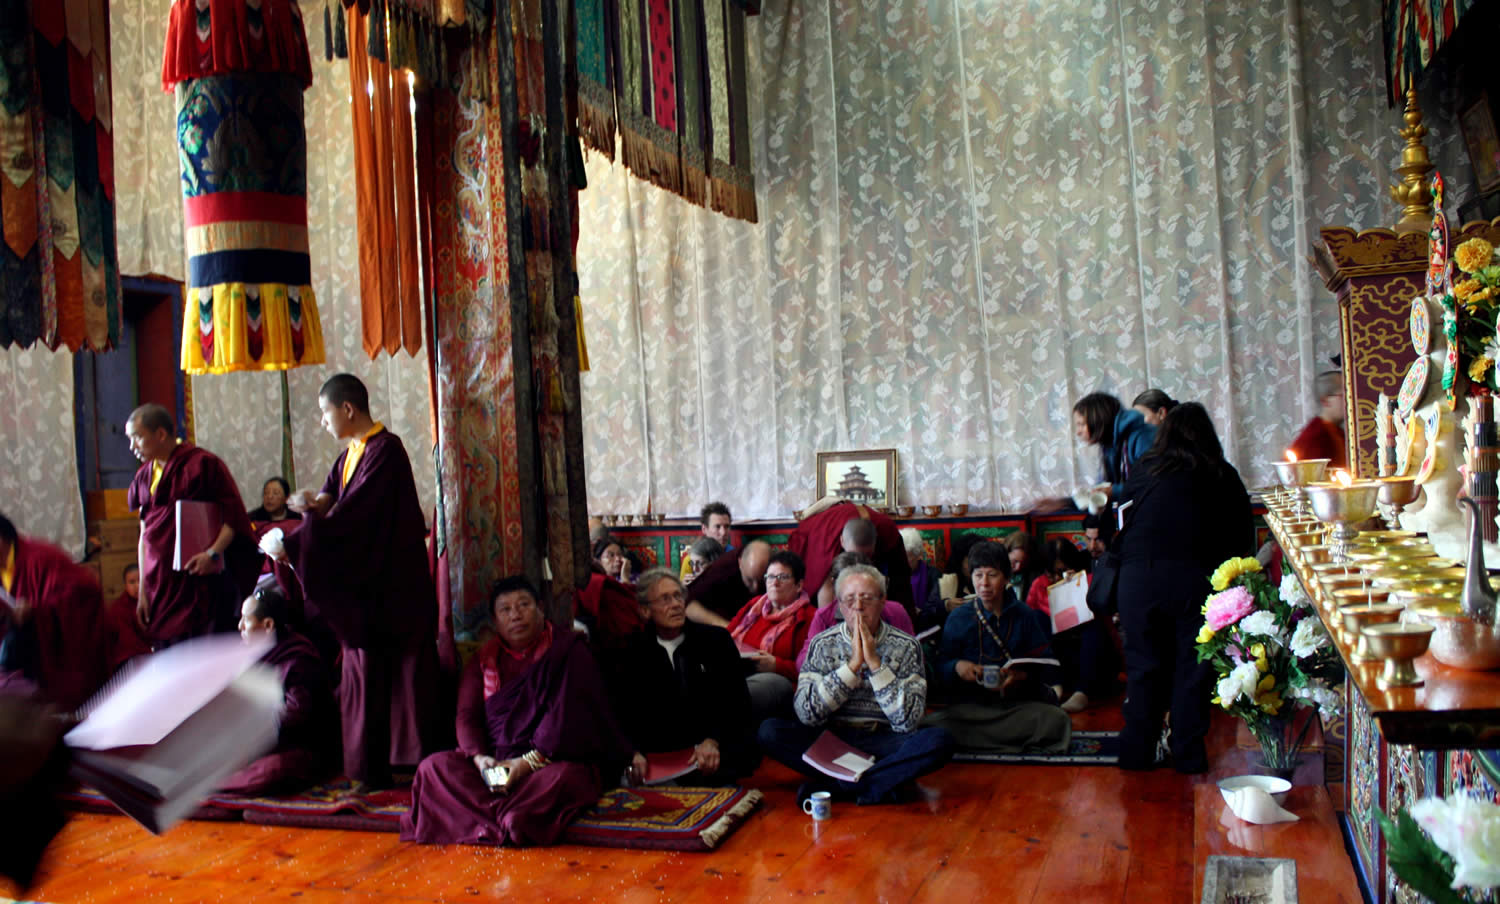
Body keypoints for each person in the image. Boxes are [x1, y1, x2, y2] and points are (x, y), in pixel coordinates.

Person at [278, 374, 440, 788]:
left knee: (395, 677)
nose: (322, 422)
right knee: (361, 673)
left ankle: (403, 765)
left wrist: (297, 544)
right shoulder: (351, 453)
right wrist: (307, 505)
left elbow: (354, 518)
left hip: (393, 590)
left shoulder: (386, 450)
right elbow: (330, 501)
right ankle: (367, 767)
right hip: (368, 590)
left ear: (347, 409)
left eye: (324, 412)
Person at [401, 576, 632, 847]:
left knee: (565, 779)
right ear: (495, 621)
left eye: (524, 605)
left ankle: (488, 820)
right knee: (433, 769)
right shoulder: (484, 659)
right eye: (506, 609)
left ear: (541, 609)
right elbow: (466, 716)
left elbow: (566, 721)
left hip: (547, 763)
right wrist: (479, 759)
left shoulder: (568, 651)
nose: (516, 615)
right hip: (495, 764)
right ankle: (508, 820)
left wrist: (525, 765)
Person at [1114, 402, 1254, 772]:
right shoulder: (1220, 474)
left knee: (1144, 668)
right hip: (1196, 582)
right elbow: (1243, 540)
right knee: (1193, 671)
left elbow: (1119, 521)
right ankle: (1188, 754)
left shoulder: (1145, 470)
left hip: (1138, 581)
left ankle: (1135, 752)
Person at [758, 565, 954, 805]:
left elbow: (908, 721)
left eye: (867, 599)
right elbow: (806, 714)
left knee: (939, 741)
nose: (858, 607)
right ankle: (881, 783)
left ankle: (838, 787)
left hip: (884, 740)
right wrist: (850, 669)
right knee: (770, 731)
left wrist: (875, 664)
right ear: (839, 605)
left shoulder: (906, 646)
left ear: (883, 601)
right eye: (849, 600)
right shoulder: (822, 644)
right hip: (833, 741)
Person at [125, 403, 259, 647]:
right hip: (160, 586)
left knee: (200, 650)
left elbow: (233, 518)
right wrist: (143, 591)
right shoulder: (144, 476)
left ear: (161, 434)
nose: (132, 447)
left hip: (197, 581)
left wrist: (212, 554)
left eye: (138, 438)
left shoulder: (202, 465)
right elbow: (145, 535)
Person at [608, 571, 760, 783]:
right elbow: (622, 713)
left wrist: (713, 740)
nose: (676, 604)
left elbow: (737, 703)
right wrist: (633, 752)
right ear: (644, 611)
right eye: (665, 599)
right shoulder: (631, 651)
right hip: (660, 757)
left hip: (711, 752)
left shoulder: (715, 641)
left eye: (678, 596)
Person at [925, 541, 1071, 754]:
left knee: (1057, 720)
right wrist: (956, 667)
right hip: (972, 709)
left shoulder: (1024, 615)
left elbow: (1048, 664)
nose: (984, 583)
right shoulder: (959, 617)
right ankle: (1012, 741)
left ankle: (984, 741)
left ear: (1006, 578)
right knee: (933, 726)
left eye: (992, 574)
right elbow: (941, 666)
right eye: (978, 575)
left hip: (1015, 706)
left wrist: (1020, 677)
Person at [219, 583, 339, 794]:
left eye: (246, 620)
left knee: (272, 771)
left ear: (267, 625)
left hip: (299, 747)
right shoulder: (253, 655)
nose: (239, 627)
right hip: (259, 741)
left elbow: (296, 715)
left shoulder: (298, 659)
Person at [0, 513, 114, 711]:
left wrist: (35, 611)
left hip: (62, 659)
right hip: (28, 660)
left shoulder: (41, 558)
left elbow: (86, 591)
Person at [1024, 538, 1118, 714]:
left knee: (1094, 625)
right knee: (1036, 618)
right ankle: (1054, 686)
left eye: (1061, 571)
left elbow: (1106, 624)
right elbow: (1029, 624)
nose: (1056, 578)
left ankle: (1082, 692)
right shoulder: (1039, 584)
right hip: (1056, 654)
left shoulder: (1087, 581)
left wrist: (1076, 588)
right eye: (1051, 573)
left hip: (1086, 653)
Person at [726, 551, 817, 721]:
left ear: (799, 585)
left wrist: (777, 665)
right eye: (770, 576)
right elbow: (726, 637)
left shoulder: (811, 618)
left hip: (781, 681)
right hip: (738, 671)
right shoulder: (754, 606)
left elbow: (814, 670)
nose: (774, 583)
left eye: (783, 577)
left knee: (739, 692)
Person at [1033, 393, 1157, 513]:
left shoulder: (1142, 436)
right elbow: (1102, 489)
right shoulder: (1110, 445)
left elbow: (1152, 483)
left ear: (1097, 420)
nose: (1078, 432)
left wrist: (1113, 492)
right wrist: (1064, 503)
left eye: (1081, 424)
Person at [789, 502, 914, 616]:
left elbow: (901, 582)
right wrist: (828, 627)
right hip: (819, 531)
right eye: (854, 555)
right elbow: (825, 586)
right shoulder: (826, 539)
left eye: (866, 555)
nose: (859, 562)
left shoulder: (887, 531)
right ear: (842, 541)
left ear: (876, 543)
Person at [797, 552, 914, 669]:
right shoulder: (824, 617)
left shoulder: (895, 612)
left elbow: (913, 659)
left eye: (867, 596)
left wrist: (875, 664)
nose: (858, 606)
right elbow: (804, 663)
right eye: (850, 596)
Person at [685, 539, 772, 628]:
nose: (755, 588)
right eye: (749, 580)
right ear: (740, 563)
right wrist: (730, 628)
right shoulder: (723, 569)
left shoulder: (779, 568)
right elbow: (687, 604)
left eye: (762, 580)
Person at [1287, 370, 1347, 469]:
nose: (1349, 400)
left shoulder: (1337, 431)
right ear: (1325, 401)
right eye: (1344, 395)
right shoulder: (1315, 436)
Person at [104, 563, 151, 670]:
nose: (137, 586)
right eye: (132, 582)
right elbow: (128, 643)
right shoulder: (119, 608)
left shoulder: (151, 600)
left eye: (140, 580)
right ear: (125, 585)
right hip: (129, 658)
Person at [901, 529, 944, 632]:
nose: (901, 560)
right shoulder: (893, 575)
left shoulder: (933, 575)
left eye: (907, 556)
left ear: (918, 555)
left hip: (926, 629)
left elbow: (935, 609)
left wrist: (919, 612)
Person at [679, 502, 734, 581]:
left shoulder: (734, 557)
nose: (723, 533)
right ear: (704, 529)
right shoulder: (691, 560)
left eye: (727, 526)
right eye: (717, 527)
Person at [1001, 531, 1040, 602]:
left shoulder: (1034, 575)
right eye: (1014, 561)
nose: (1018, 567)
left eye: (1023, 562)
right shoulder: (997, 572)